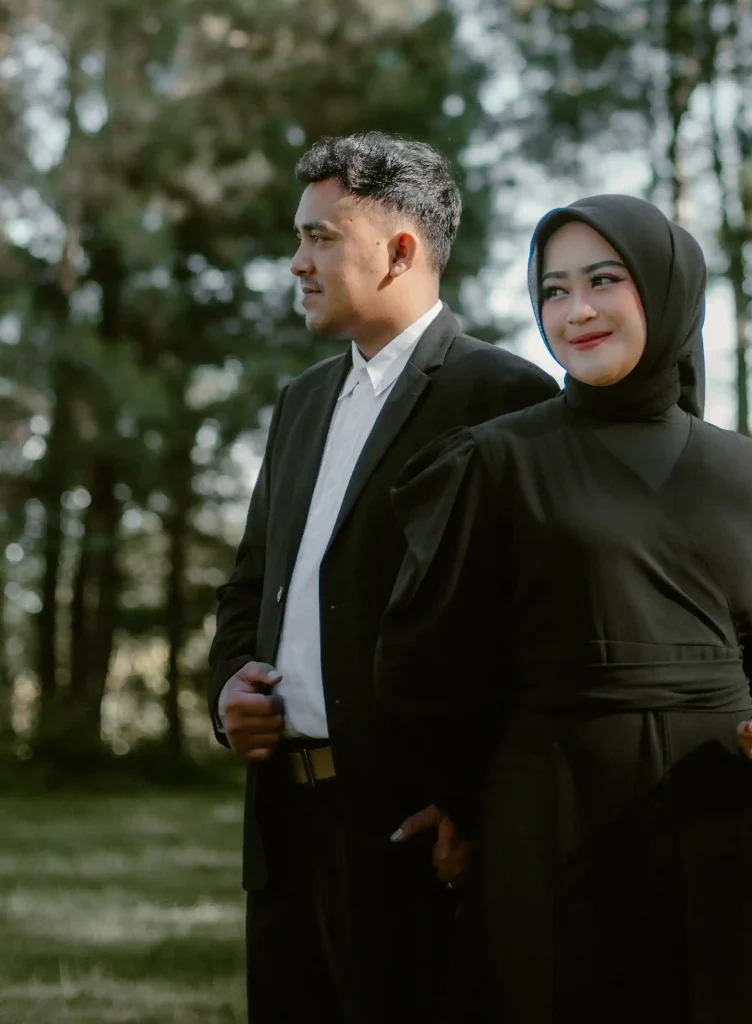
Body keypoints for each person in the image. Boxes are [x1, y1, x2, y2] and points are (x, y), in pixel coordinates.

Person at [378, 194, 752, 1023]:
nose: (578, 311)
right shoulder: (494, 462)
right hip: (547, 825)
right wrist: (466, 804)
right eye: (553, 290)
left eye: (603, 280)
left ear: (667, 289)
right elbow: (432, 666)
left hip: (721, 827)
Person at [207, 132, 558, 1023]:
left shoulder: (506, 399)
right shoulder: (299, 404)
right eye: (300, 238)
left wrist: (477, 808)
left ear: (400, 251)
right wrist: (227, 688)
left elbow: (537, 631)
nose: (297, 262)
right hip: (283, 829)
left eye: (320, 238)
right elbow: (249, 586)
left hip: (414, 834)